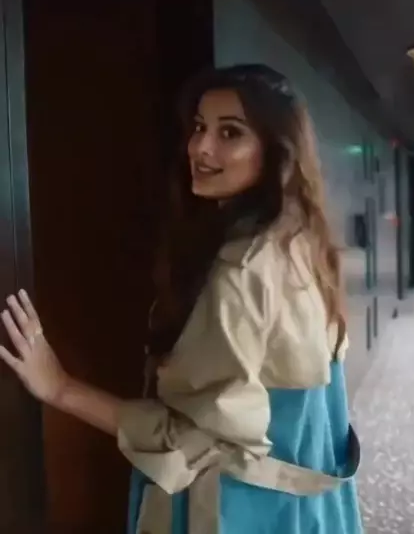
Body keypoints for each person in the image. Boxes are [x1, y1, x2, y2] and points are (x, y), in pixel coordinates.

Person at [0, 64, 363, 534]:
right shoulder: (303, 242)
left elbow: (190, 439)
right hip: (305, 510)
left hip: (241, 510)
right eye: (198, 127)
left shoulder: (242, 271)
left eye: (230, 133)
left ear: (275, 150)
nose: (200, 147)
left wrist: (60, 389)